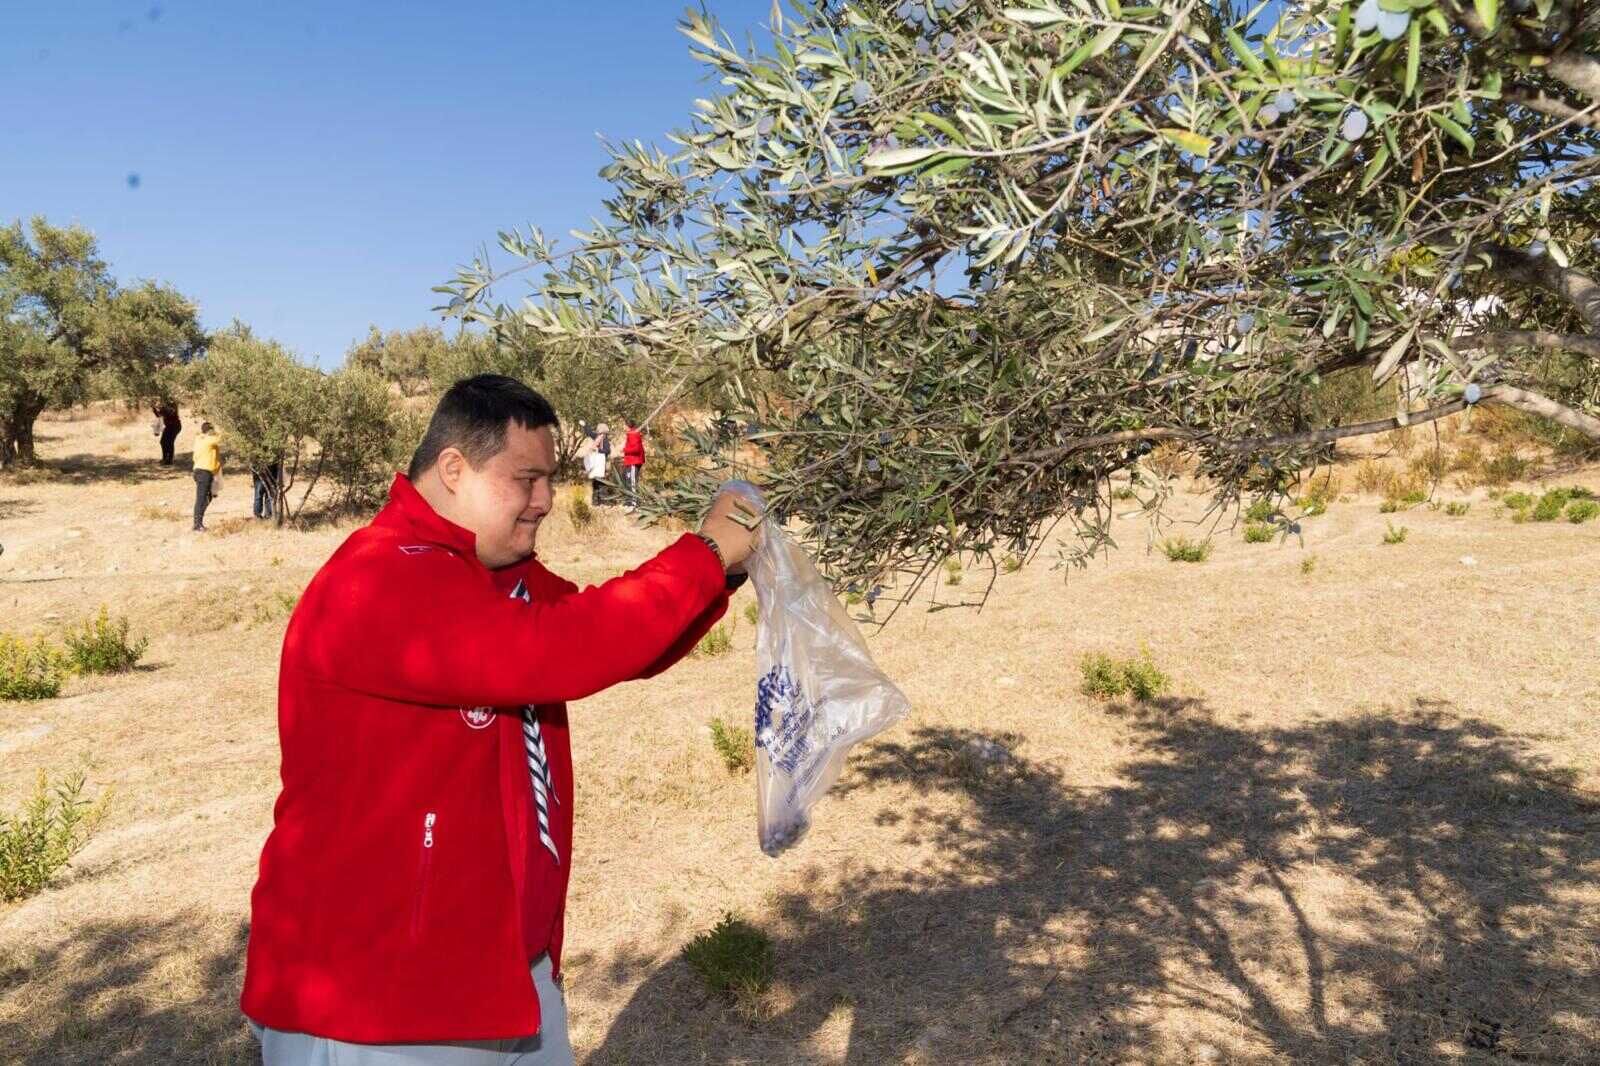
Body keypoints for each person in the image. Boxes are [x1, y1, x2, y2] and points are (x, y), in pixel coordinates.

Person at [240, 374, 758, 1065]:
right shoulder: (377, 580)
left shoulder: (493, 573)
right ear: (455, 469)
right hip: (380, 1006)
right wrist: (706, 552)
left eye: (551, 479)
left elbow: (610, 642)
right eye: (527, 479)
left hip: (505, 977)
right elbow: (557, 650)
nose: (546, 502)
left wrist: (718, 575)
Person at [191, 421, 222, 532]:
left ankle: (198, 521)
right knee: (201, 498)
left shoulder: (199, 439)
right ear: (209, 431)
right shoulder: (210, 440)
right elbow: (222, 438)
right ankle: (197, 524)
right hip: (204, 472)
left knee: (208, 497)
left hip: (201, 471)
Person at [621, 418, 645, 505]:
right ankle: (629, 500)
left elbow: (636, 449)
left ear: (627, 426)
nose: (623, 427)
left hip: (634, 461)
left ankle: (634, 501)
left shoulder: (633, 434)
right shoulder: (631, 434)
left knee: (632, 481)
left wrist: (624, 450)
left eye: (624, 425)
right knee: (628, 480)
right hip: (631, 461)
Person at [253, 455, 283, 520]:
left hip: (270, 470)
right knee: (260, 494)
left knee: (266, 494)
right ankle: (259, 515)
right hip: (261, 471)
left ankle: (267, 515)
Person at [152, 401, 182, 465]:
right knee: (163, 442)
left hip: (175, 426)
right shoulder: (164, 406)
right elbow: (158, 415)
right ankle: (165, 458)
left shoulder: (172, 404)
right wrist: (154, 408)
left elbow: (170, 412)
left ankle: (169, 460)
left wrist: (159, 407)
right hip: (169, 426)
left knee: (170, 442)